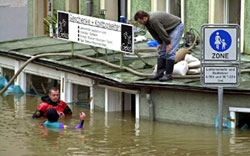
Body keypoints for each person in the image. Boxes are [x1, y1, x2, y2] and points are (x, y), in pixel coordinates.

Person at [134, 10, 184, 81]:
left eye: (140, 21)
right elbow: (153, 33)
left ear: (144, 18)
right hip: (167, 29)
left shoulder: (154, 20)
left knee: (170, 52)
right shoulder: (147, 22)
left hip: (176, 26)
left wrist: (168, 43)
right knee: (161, 52)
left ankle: (168, 75)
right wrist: (160, 42)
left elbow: (161, 31)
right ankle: (159, 74)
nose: (140, 23)